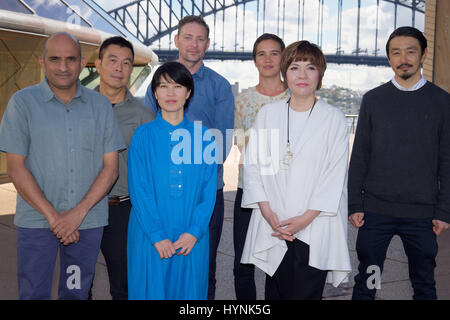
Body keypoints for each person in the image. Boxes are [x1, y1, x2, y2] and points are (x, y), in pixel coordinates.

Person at [0, 32, 125, 300]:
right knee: (33, 294)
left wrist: (76, 215)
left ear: (82, 63)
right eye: (55, 59)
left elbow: (111, 168)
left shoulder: (100, 106)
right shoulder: (22, 104)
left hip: (87, 223)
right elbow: (16, 168)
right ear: (42, 62)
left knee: (75, 293)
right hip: (36, 222)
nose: (63, 66)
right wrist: (55, 218)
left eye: (71, 59)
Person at [240, 40, 352, 300]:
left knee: (305, 293)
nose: (302, 75)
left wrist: (305, 218)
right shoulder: (269, 114)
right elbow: (254, 165)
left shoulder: (333, 118)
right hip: (275, 223)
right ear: (284, 73)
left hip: (315, 225)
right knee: (275, 294)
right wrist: (267, 212)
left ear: (319, 74)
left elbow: (334, 177)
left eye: (310, 68)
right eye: (294, 67)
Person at [348, 26, 450, 300]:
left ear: (424, 54)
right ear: (389, 58)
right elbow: (360, 156)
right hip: (375, 213)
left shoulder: (442, 102)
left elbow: (447, 160)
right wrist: (355, 205)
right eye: (396, 52)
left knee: (424, 284)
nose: (403, 58)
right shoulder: (373, 99)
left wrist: (444, 211)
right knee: (369, 281)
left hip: (422, 215)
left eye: (410, 51)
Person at [143, 15, 234, 300]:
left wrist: (185, 169)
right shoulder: (157, 81)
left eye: (200, 39)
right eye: (188, 37)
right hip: (162, 194)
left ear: (208, 44)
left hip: (203, 194)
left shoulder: (220, 86)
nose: (194, 44)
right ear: (176, 40)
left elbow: (220, 146)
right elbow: (149, 135)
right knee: (162, 261)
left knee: (202, 268)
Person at [127, 61, 217, 299]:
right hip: (150, 235)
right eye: (163, 86)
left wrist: (194, 231)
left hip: (190, 237)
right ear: (155, 92)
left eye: (177, 86)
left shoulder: (204, 137)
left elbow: (208, 192)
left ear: (188, 93)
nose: (170, 93)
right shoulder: (142, 136)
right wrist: (157, 235)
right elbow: (139, 190)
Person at [93, 36, 155, 300]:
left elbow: (152, 172)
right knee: (76, 286)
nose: (119, 67)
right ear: (98, 64)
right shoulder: (76, 108)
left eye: (126, 63)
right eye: (113, 60)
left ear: (132, 69)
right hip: (79, 210)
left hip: (121, 211)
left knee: (124, 286)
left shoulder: (144, 117)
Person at [233, 33, 289, 300]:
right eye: (261, 54)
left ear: (283, 57)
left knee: (277, 264)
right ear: (254, 60)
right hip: (250, 191)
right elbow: (243, 143)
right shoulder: (243, 100)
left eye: (274, 53)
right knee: (243, 263)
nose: (268, 59)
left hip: (285, 193)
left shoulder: (295, 95)